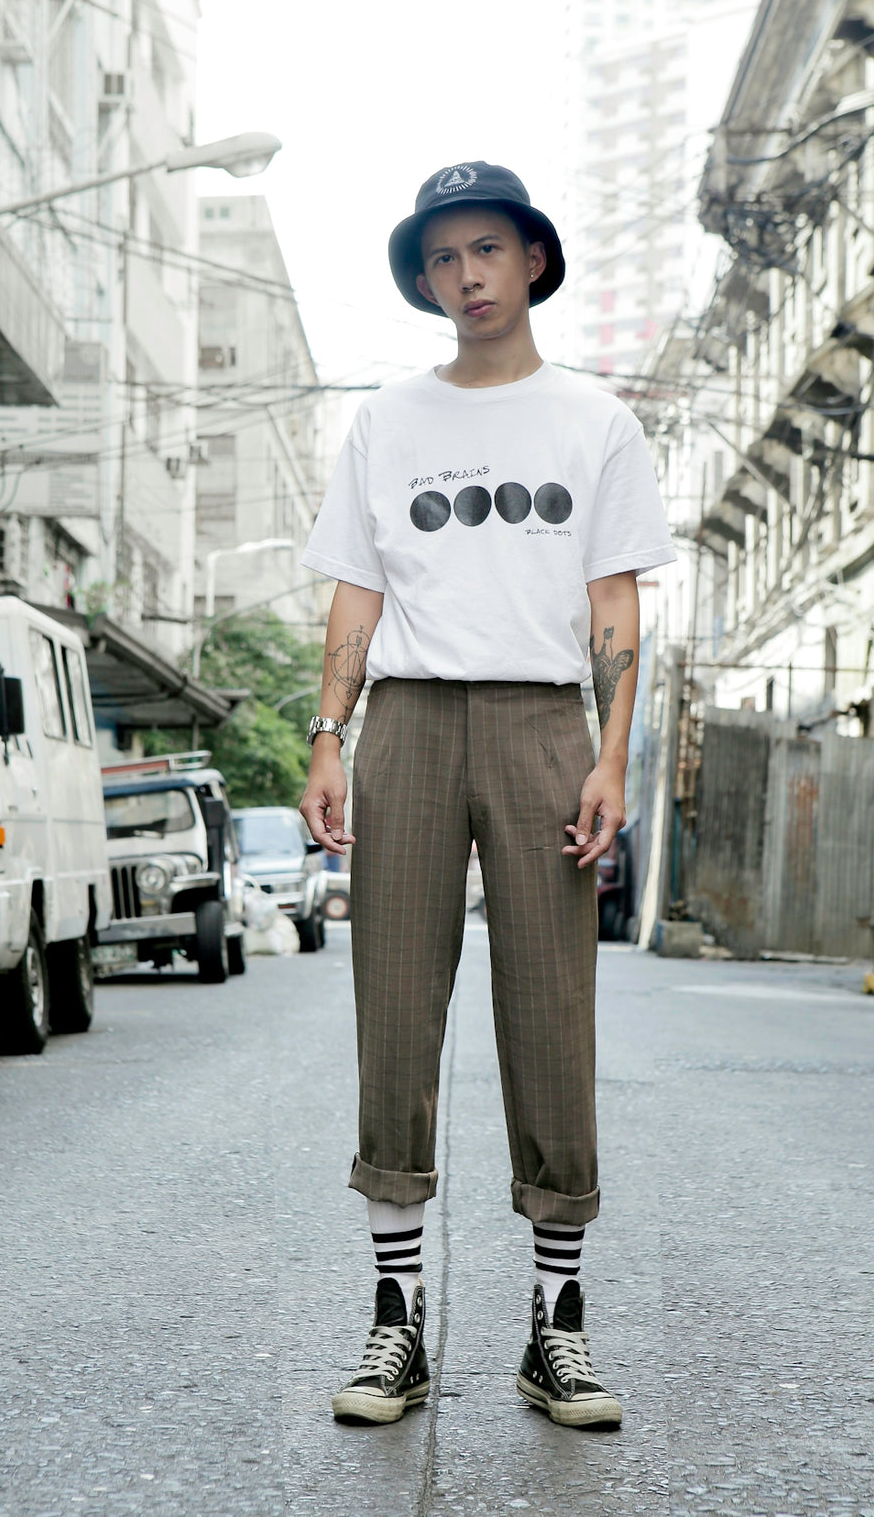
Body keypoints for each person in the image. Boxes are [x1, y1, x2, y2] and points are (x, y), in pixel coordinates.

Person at [299, 161, 675, 1431]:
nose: (463, 275)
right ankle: (393, 1324)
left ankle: (553, 1329)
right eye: (440, 258)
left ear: (531, 261)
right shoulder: (388, 421)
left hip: (537, 725)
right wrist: (327, 733)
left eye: (484, 250)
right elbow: (355, 589)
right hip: (405, 721)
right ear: (425, 280)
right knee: (394, 1011)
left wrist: (609, 756)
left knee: (549, 1015)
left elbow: (614, 604)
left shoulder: (593, 421)